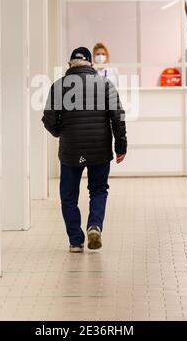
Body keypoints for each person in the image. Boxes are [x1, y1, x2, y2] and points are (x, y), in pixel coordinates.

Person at [42, 47, 127, 253]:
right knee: (98, 190)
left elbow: (48, 119)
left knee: (68, 196)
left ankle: (75, 240)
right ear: (90, 63)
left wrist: (60, 133)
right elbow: (118, 117)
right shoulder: (105, 85)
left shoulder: (59, 86)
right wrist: (120, 146)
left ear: (70, 64)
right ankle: (94, 226)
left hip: (71, 150)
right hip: (100, 149)